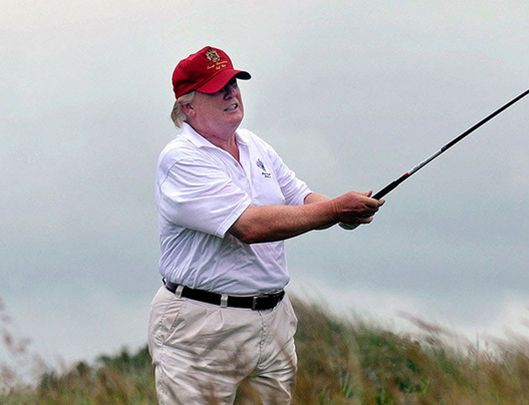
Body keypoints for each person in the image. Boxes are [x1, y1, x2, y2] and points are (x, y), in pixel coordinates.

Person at [147, 45, 384, 404]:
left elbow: (302, 198)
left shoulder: (255, 146)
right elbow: (249, 226)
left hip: (272, 322)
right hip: (201, 325)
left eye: (234, 83)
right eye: (217, 89)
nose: (231, 93)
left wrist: (347, 213)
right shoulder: (181, 159)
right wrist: (335, 210)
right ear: (187, 106)